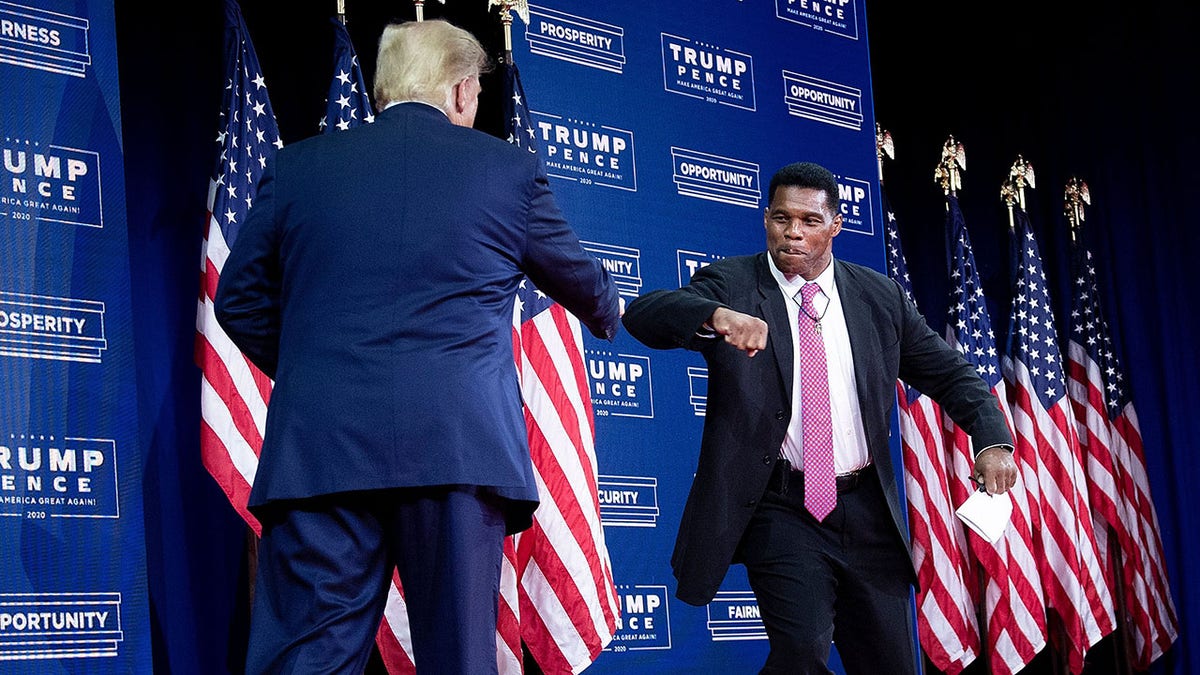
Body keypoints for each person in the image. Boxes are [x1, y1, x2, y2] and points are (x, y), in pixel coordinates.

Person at [214, 19, 621, 674]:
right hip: (455, 453)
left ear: (382, 90)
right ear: (463, 91)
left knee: (305, 662)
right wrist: (616, 305)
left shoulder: (298, 168)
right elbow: (588, 292)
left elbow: (236, 300)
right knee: (458, 659)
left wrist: (318, 368)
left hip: (321, 453)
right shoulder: (506, 170)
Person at [621, 161, 1017, 674]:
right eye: (781, 218)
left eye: (809, 221)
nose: (793, 232)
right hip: (782, 506)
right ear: (766, 220)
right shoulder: (734, 284)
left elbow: (951, 375)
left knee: (892, 663)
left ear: (835, 226)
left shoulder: (879, 297)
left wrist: (991, 441)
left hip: (866, 508)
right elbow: (643, 314)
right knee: (803, 650)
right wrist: (715, 316)